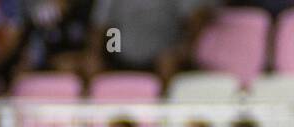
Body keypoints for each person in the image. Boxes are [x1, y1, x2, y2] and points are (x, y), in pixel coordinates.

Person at [88, 0, 219, 88]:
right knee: (90, 64)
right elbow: (102, 27)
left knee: (168, 62)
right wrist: (98, 54)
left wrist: (185, 47)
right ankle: (93, 113)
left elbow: (194, 18)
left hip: (163, 55)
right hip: (119, 53)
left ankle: (164, 113)